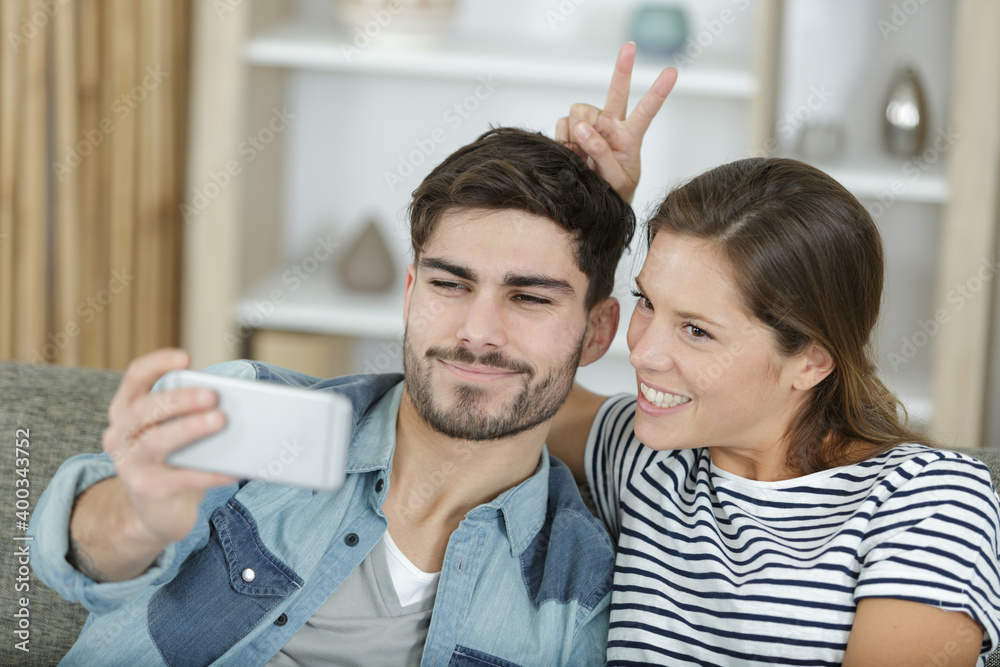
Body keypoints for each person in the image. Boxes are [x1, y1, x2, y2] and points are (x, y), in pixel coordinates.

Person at [29, 119, 679, 665]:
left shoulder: (579, 591)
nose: (477, 332)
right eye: (449, 285)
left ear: (598, 332)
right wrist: (133, 518)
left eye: (529, 297)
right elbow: (79, 554)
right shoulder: (257, 413)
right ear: (409, 292)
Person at [549, 64, 1000, 665]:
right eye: (646, 303)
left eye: (697, 330)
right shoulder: (646, 458)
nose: (644, 350)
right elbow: (521, 383)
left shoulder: (925, 499)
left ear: (812, 360)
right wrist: (594, 214)